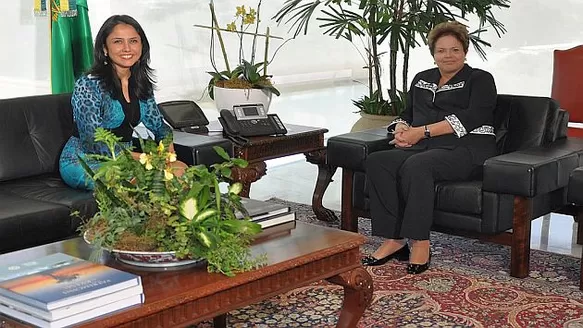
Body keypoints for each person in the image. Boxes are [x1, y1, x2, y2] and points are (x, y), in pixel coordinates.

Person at [361, 21, 498, 274]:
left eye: (455, 50)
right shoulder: (422, 79)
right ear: (433, 53)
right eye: (442, 50)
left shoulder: (480, 79)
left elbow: (472, 118)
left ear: (465, 51)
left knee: (417, 165)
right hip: (425, 146)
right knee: (378, 161)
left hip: (467, 148)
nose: (448, 55)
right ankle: (395, 239)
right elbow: (407, 113)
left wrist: (420, 133)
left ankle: (420, 241)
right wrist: (401, 130)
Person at [59, 15, 186, 190]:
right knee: (148, 181)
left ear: (142, 46)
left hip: (127, 158)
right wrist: (145, 158)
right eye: (118, 42)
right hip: (86, 160)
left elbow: (159, 127)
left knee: (181, 170)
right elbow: (94, 142)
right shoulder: (88, 84)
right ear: (105, 48)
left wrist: (167, 149)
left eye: (133, 41)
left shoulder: (141, 83)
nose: (127, 48)